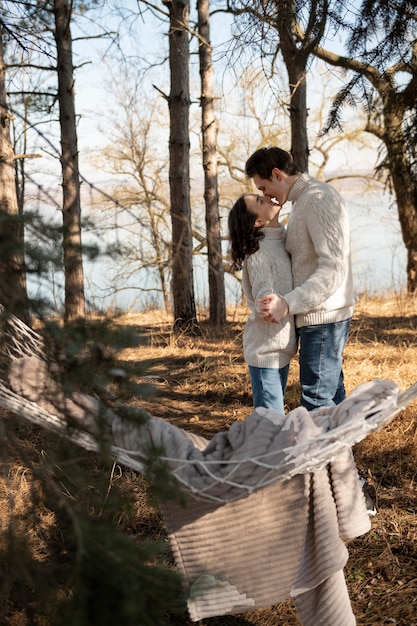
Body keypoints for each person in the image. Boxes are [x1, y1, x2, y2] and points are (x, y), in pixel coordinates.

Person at [245, 146, 354, 412]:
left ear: (276, 174)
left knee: (316, 402)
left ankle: (319, 455)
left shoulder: (316, 199)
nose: (264, 195)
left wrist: (288, 303)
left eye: (263, 187)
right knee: (331, 397)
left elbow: (333, 269)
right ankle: (339, 453)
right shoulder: (303, 201)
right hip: (316, 316)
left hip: (324, 317)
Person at [228, 193, 297, 414]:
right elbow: (265, 298)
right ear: (258, 222)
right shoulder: (258, 252)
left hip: (283, 349)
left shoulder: (282, 239)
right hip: (265, 351)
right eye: (260, 201)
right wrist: (273, 303)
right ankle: (264, 449)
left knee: (274, 416)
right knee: (271, 420)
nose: (268, 197)